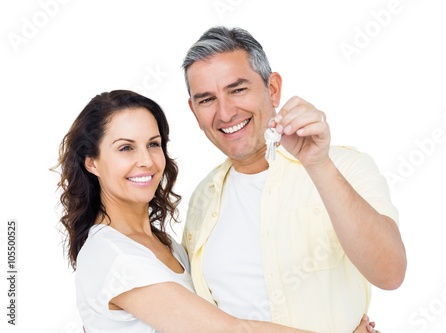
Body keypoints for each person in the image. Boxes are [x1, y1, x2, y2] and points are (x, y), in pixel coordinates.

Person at [53, 90, 376, 333]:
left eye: (153, 143)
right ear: (91, 162)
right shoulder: (112, 255)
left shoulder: (165, 244)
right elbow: (230, 331)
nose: (147, 161)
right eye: (125, 148)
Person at [181, 26, 407, 333]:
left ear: (272, 89)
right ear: (194, 111)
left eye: (237, 90)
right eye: (207, 99)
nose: (225, 112)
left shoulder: (343, 166)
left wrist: (318, 164)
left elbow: (390, 273)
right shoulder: (202, 198)